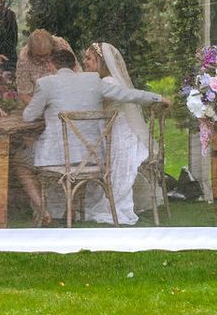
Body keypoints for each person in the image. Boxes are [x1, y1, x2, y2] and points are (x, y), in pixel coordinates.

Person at [23, 45, 167, 225]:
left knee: (20, 162)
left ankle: (44, 212)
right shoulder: (93, 81)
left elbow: (28, 116)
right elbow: (128, 94)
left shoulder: (45, 84)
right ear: (74, 65)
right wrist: (158, 98)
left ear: (52, 65)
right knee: (68, 154)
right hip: (93, 158)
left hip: (58, 159)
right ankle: (71, 208)